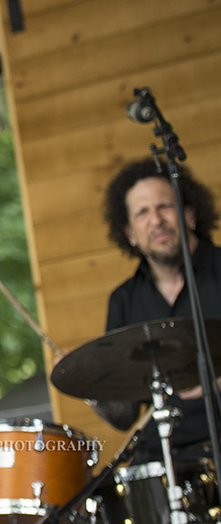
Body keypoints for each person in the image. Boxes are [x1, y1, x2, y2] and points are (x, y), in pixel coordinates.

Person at [95, 156, 221, 456]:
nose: (156, 220)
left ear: (189, 214)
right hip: (165, 457)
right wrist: (89, 385)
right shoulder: (123, 300)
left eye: (164, 206)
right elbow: (124, 417)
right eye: (142, 212)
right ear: (130, 234)